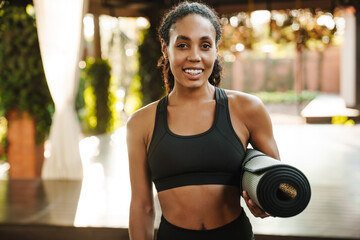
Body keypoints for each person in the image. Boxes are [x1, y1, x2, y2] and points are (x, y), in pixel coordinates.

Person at [126, 1, 280, 239]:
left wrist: (267, 201)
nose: (195, 56)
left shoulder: (247, 109)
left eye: (205, 45)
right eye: (183, 45)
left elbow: (275, 183)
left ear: (216, 50)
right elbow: (142, 206)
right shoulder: (141, 123)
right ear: (166, 50)